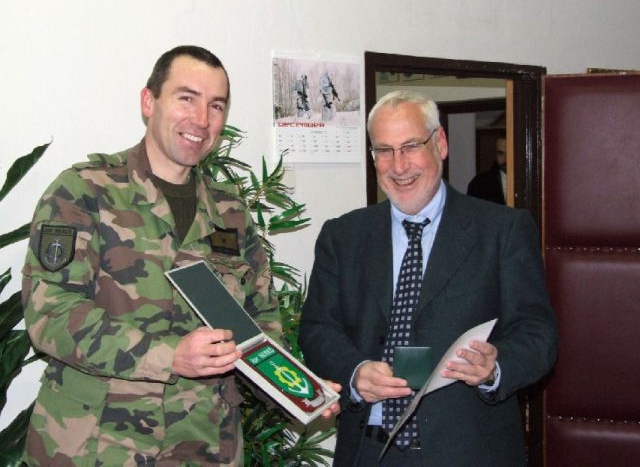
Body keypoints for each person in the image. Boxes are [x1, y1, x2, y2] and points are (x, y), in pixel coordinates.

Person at [21, 45, 338, 467]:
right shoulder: (83, 191)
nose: (201, 120)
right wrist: (168, 356)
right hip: (97, 446)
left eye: (216, 106)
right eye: (186, 98)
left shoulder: (231, 211)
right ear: (148, 102)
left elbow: (260, 325)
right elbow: (50, 314)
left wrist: (297, 390)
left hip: (207, 445)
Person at [299, 91, 558, 466]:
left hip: (469, 453)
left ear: (440, 143)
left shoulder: (502, 230)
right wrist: (354, 374)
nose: (398, 165)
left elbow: (538, 333)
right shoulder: (343, 236)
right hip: (369, 451)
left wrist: (495, 367)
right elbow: (317, 329)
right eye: (384, 151)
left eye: (410, 146)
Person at [466, 135, 507, 204]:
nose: (505, 159)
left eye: (510, 153)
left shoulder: (525, 182)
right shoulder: (479, 184)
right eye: (500, 153)